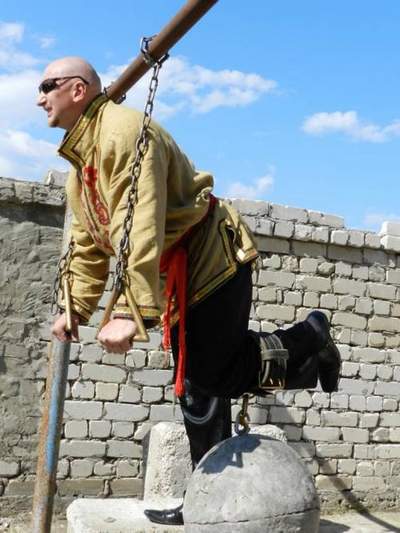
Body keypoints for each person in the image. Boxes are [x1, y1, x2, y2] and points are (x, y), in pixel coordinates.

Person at [38, 57, 341, 526]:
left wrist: (130, 311)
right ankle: (208, 498)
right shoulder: (83, 168)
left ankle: (310, 336)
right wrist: (75, 306)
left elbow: (140, 222)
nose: (40, 98)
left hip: (212, 259)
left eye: (47, 86)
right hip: (177, 273)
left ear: (78, 90)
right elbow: (89, 244)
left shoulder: (122, 132)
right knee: (197, 390)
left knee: (210, 375)